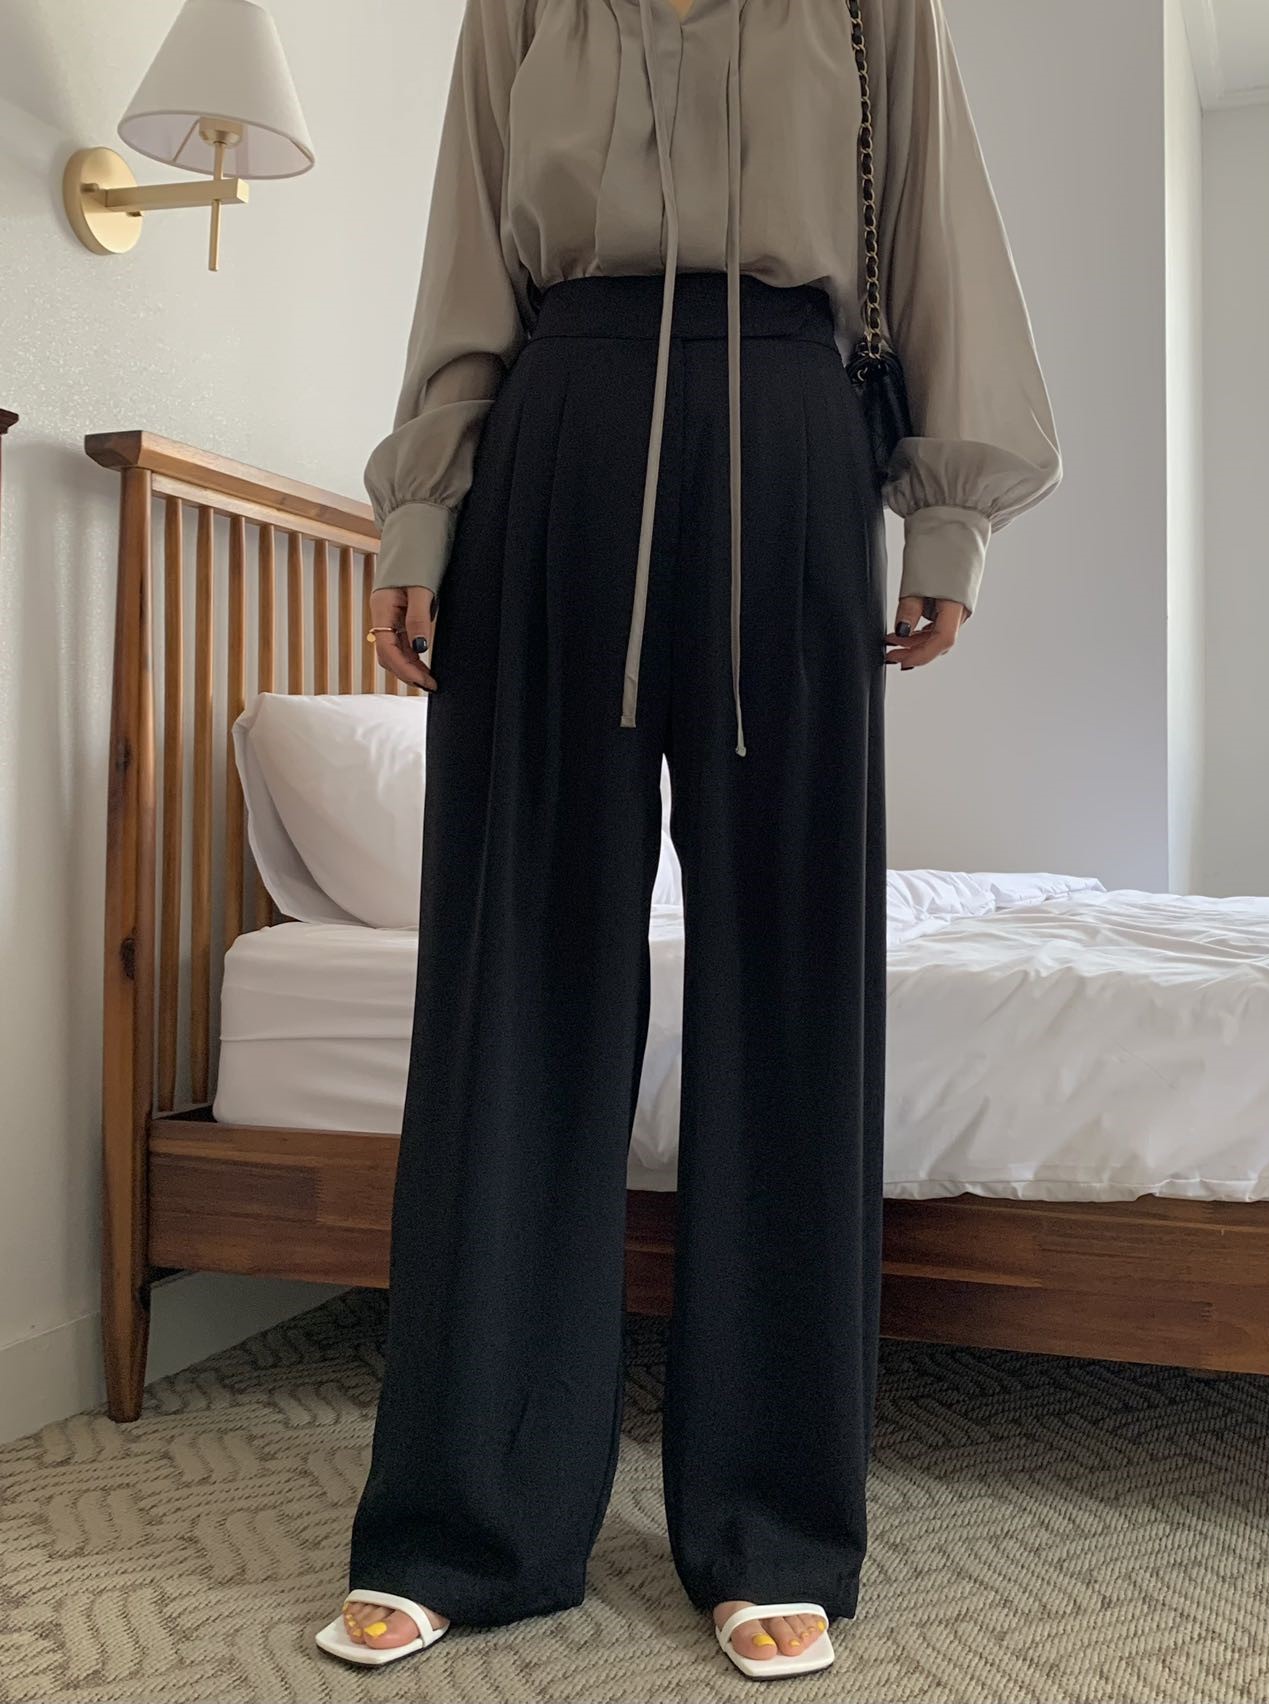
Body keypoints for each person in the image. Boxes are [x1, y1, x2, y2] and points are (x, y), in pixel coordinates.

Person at [315, 0, 1061, 1678]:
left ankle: (771, 1520)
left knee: (790, 987)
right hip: (551, 452)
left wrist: (946, 516)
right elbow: (466, 258)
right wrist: (421, 514)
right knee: (517, 980)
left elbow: (934, 233)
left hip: (792, 443)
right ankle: (467, 1524)